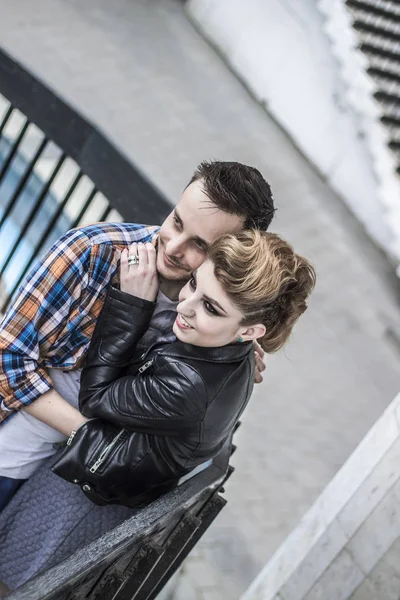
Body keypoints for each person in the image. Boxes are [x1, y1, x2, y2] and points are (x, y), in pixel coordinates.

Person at [0, 230, 315, 594]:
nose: (185, 305)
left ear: (252, 330)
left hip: (81, 500)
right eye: (194, 284)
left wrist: (131, 304)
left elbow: (97, 395)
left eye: (210, 307)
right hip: (97, 486)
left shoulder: (189, 384)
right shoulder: (230, 352)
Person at [0, 160, 274, 508]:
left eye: (201, 245)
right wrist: (93, 440)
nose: (174, 247)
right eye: (176, 221)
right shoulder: (92, 253)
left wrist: (233, 356)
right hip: (13, 455)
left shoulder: (217, 321)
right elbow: (8, 356)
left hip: (80, 489)